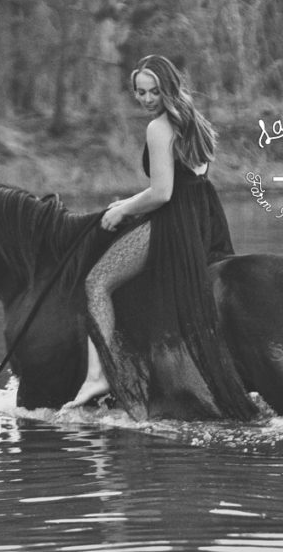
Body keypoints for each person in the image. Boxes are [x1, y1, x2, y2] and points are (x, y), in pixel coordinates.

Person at [62, 55, 257, 421]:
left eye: (153, 91)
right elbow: (188, 181)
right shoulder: (194, 121)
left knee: (98, 281)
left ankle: (95, 378)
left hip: (175, 222)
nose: (147, 99)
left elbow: (163, 192)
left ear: (168, 87)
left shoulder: (159, 128)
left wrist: (123, 209)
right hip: (204, 218)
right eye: (140, 92)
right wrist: (134, 202)